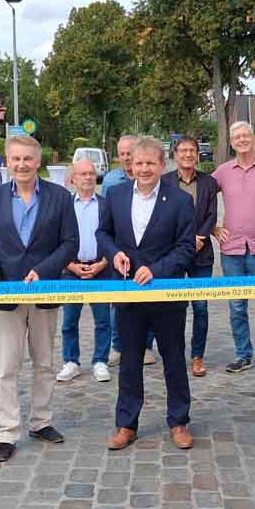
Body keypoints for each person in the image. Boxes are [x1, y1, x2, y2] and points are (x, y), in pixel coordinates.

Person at [0, 135, 79, 463]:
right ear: (7, 162)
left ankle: (41, 421)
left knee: (44, 362)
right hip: (7, 291)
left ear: (38, 162)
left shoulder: (60, 197)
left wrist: (43, 270)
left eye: (28, 159)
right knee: (7, 366)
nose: (22, 165)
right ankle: (6, 432)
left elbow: (70, 243)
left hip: (44, 289)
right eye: (16, 159)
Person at [96, 137, 196, 451]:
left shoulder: (180, 201)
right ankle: (127, 424)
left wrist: (157, 270)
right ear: (130, 165)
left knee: (174, 359)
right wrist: (114, 254)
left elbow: (186, 248)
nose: (143, 169)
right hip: (128, 294)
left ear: (162, 165)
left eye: (150, 163)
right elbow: (103, 233)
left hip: (166, 294)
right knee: (129, 361)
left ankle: (178, 421)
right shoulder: (115, 195)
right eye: (138, 163)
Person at [212, 121, 255, 373]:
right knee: (237, 306)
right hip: (232, 249)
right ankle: (243, 354)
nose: (242, 140)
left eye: (246, 136)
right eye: (237, 137)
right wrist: (213, 228)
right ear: (232, 143)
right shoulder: (222, 172)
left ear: (253, 139)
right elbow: (203, 199)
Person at [162, 135, 218, 377]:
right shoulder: (164, 182)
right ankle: (172, 353)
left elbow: (212, 215)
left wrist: (199, 237)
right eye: (183, 150)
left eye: (191, 150)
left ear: (197, 154)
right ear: (175, 155)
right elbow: (161, 217)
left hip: (201, 253)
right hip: (172, 252)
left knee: (200, 307)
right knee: (171, 306)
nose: (187, 154)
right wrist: (183, 242)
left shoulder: (209, 182)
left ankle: (197, 356)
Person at [57, 158, 112, 383]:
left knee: (103, 320)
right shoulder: (64, 206)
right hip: (71, 269)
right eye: (83, 174)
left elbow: (115, 237)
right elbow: (55, 239)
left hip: (101, 267)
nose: (88, 177)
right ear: (73, 179)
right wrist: (70, 265)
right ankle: (71, 361)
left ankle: (100, 360)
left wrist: (104, 263)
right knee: (69, 320)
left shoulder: (106, 205)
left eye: (91, 173)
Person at [102, 134, 155, 366]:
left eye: (129, 153)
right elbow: (106, 222)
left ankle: (146, 346)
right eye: (122, 153)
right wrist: (112, 253)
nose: (125, 157)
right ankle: (118, 346)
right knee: (119, 305)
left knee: (149, 302)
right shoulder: (111, 182)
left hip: (149, 258)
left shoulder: (155, 182)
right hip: (121, 256)